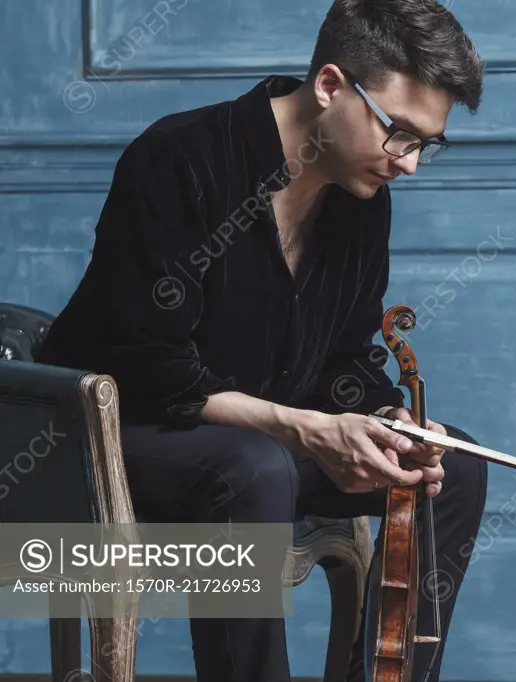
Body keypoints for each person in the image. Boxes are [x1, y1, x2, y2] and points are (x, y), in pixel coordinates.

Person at [35, 1, 488, 680]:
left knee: (450, 467)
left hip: (260, 442)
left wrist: (388, 419)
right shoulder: (176, 157)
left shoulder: (361, 194)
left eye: (428, 142)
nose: (412, 163)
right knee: (254, 468)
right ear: (331, 86)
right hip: (108, 438)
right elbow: (151, 366)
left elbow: (341, 359)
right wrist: (303, 430)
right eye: (400, 132)